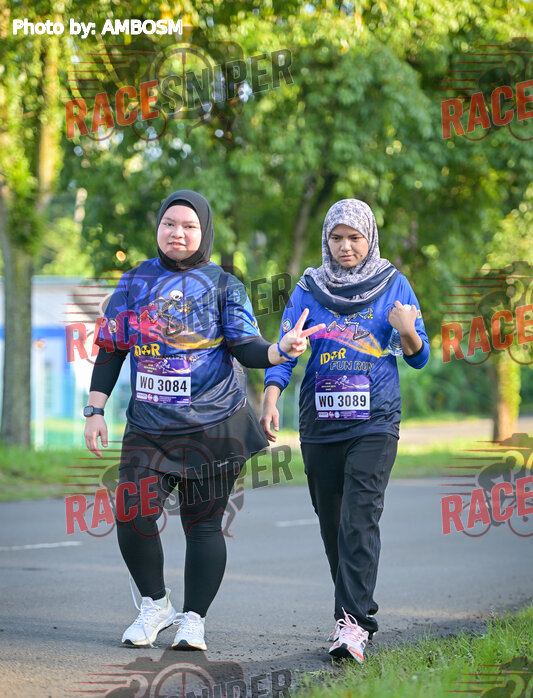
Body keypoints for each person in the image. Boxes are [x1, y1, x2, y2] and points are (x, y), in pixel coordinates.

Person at [84, 189, 323, 650]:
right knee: (132, 513)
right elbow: (111, 350)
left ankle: (194, 620)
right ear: (158, 228)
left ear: (204, 232)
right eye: (169, 224)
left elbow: (246, 347)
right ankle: (155, 605)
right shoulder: (133, 283)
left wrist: (279, 350)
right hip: (149, 426)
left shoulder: (224, 285)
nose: (178, 233)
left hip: (213, 426)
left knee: (203, 525)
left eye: (189, 226)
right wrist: (95, 410)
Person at [261, 198, 430, 662]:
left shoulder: (394, 284)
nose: (345, 246)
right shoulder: (308, 289)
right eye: (336, 237)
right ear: (326, 240)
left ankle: (353, 624)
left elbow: (419, 356)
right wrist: (271, 397)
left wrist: (407, 330)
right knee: (333, 523)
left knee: (360, 517)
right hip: (320, 422)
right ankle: (352, 612)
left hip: (375, 420)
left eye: (355, 237)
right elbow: (285, 350)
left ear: (369, 238)